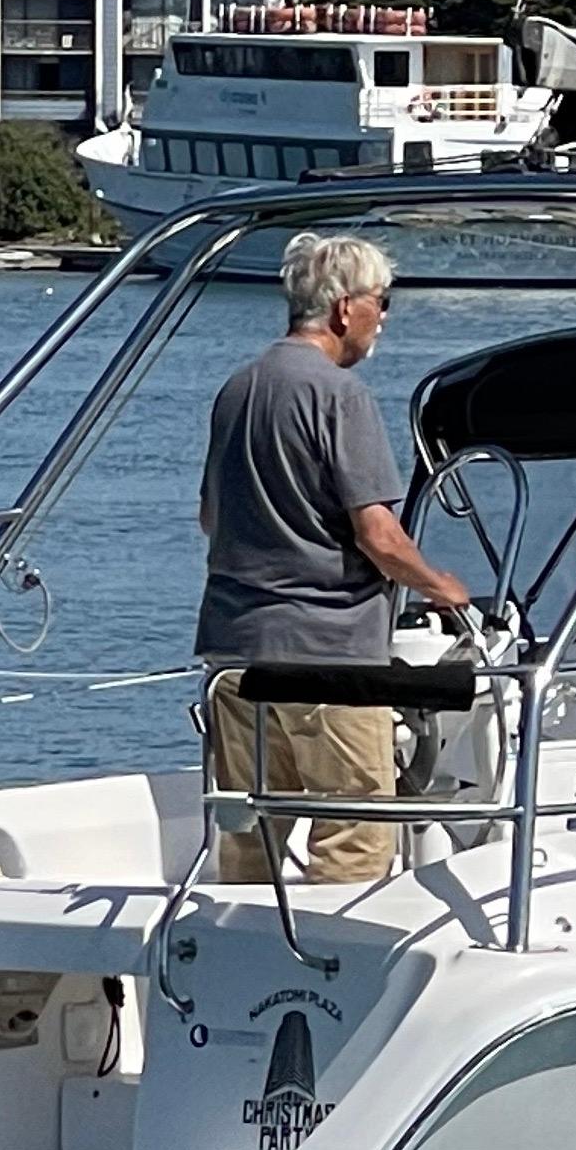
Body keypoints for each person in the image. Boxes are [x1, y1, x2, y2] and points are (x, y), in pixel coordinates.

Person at [196, 232, 471, 883]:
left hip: (236, 656)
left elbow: (211, 517)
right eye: (382, 301)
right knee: (355, 837)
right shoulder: (340, 396)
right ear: (347, 308)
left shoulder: (237, 389)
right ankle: (336, 949)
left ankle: (246, 943)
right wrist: (441, 587)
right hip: (328, 658)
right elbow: (379, 534)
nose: (384, 317)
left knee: (249, 838)